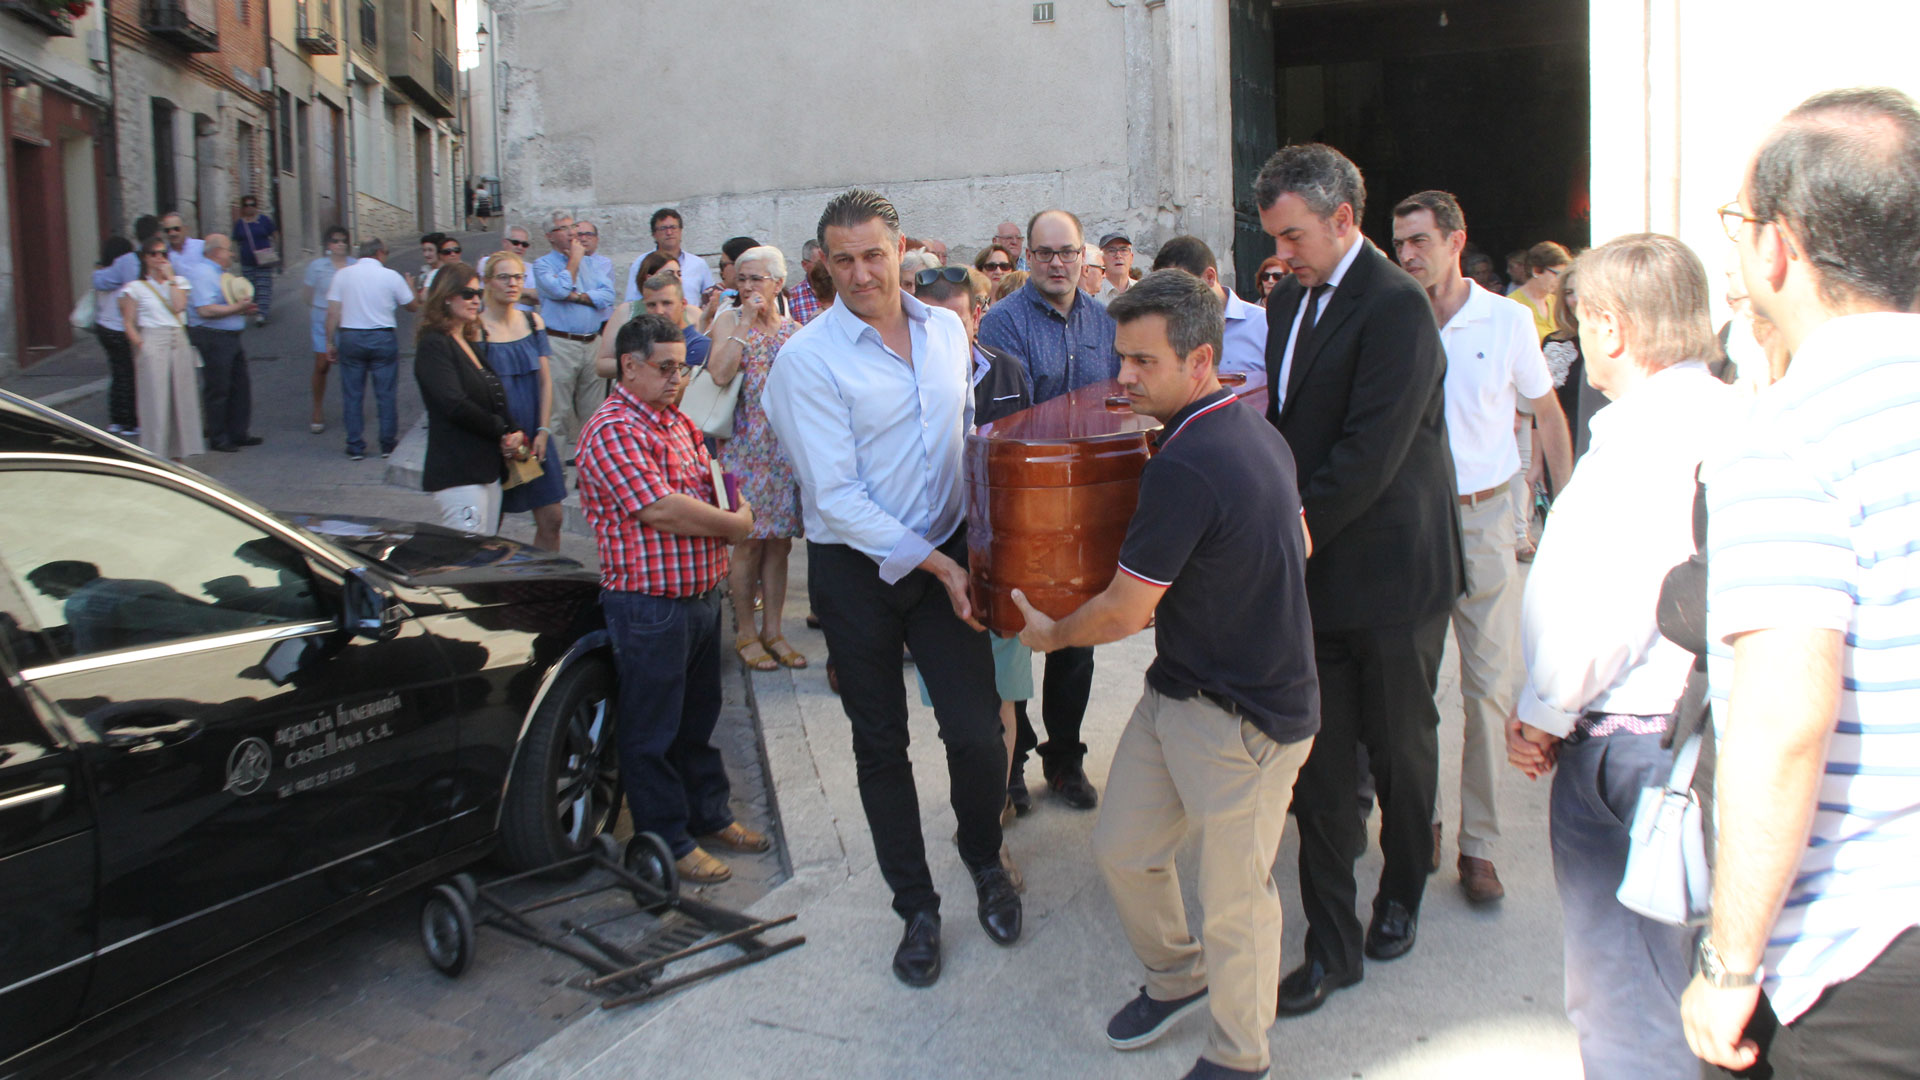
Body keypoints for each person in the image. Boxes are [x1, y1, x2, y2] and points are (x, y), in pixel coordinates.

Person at [1012, 270, 1318, 1080]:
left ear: (1201, 358)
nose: (1123, 377)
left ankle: (1239, 1055)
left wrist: (1049, 636)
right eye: (1122, 358)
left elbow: (1121, 611)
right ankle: (1177, 977)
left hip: (1246, 718)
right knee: (1123, 849)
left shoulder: (1190, 460)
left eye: (1144, 362)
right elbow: (1302, 543)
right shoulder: (1250, 426)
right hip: (1181, 690)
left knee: (1235, 904)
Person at [1682, 86, 1920, 1079]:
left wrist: (1731, 965)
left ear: (1777, 248)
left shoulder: (1790, 436)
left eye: (1738, 226)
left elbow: (1786, 724)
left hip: (1861, 949)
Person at [763, 189, 1020, 986]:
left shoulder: (947, 327)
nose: (861, 273)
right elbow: (833, 498)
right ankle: (915, 906)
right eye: (842, 260)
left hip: (947, 551)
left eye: (873, 254)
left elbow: (962, 438)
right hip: (858, 574)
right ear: (823, 263)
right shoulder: (807, 358)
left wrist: (973, 544)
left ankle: (982, 856)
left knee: (978, 734)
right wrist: (938, 565)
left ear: (899, 247)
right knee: (880, 746)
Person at [1504, 233, 1735, 1080]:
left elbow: (1611, 601)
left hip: (1630, 745)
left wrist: (1543, 709)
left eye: (1581, 318)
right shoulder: (1723, 411)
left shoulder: (1645, 437)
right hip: (1680, 736)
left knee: (1626, 997)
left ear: (1611, 326)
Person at [1255, 143, 1460, 1016]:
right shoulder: (1286, 304)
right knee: (1323, 770)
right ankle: (1331, 946)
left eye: (1294, 235)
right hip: (1319, 573)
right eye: (1272, 236)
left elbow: (1367, 455)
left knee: (1400, 747)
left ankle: (1403, 890)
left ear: (1344, 219)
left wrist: (1282, 534)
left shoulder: (1396, 306)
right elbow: (1289, 426)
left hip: (1392, 574)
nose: (1281, 253)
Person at [1389, 189, 1572, 902]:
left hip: (1486, 518)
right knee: (1415, 689)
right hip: (1413, 523)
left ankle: (1481, 845)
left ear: (1456, 240)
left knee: (1488, 688)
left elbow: (1546, 415)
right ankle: (1423, 822)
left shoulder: (1507, 321)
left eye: (1420, 240)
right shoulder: (1395, 318)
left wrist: (1570, 504)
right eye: (1400, 242)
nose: (1409, 254)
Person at [578, 312, 772, 886]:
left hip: (695, 598)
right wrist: (735, 526)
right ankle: (667, 840)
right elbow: (660, 507)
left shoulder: (675, 422)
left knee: (696, 721)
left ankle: (708, 815)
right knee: (653, 731)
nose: (678, 380)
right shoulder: (612, 428)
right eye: (665, 369)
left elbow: (709, 482)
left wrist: (734, 509)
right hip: (647, 604)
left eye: (682, 369)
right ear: (629, 366)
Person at [976, 208, 1118, 813]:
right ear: (1028, 257)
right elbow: (1009, 419)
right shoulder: (1003, 322)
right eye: (1045, 253)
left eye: (1067, 252)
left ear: (1084, 255)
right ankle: (1012, 762)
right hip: (1025, 508)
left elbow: (1115, 402)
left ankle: (1064, 759)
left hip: (1086, 506)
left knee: (1076, 641)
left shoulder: (1105, 322)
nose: (1057, 264)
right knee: (1014, 637)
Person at [915, 264, 1035, 836]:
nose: (942, 332)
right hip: (936, 558)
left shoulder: (1009, 371)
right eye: (931, 320)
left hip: (999, 556)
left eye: (954, 320)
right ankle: (978, 791)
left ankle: (997, 801)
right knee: (958, 708)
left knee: (1006, 690)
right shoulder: (904, 376)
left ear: (976, 317)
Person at [706, 245, 805, 672]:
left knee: (778, 544)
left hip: (782, 453)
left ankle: (774, 631)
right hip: (740, 453)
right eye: (741, 279)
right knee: (745, 543)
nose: (746, 286)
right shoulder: (729, 321)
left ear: (778, 283)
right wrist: (745, 321)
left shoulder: (795, 330)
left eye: (756, 279)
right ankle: (746, 631)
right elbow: (720, 373)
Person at [414, 262, 524, 534]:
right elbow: (453, 403)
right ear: (447, 296)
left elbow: (492, 393)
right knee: (466, 556)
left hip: (487, 467)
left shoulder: (466, 341)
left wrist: (514, 431)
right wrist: (500, 429)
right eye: (467, 294)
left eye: (478, 293)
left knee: (484, 553)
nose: (476, 300)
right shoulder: (434, 344)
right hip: (458, 470)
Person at [480, 252, 566, 550]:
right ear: (488, 282)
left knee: (552, 517)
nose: (512, 283)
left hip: (532, 433)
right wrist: (497, 437)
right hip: (494, 437)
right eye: (504, 277)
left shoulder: (532, 321)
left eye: (517, 277)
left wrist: (543, 430)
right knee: (488, 526)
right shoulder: (474, 328)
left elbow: (545, 380)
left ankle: (545, 584)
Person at [325, 237, 420, 461]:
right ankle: (387, 444)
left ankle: (355, 445)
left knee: (353, 394)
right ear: (380, 253)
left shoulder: (342, 275)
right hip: (382, 336)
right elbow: (412, 306)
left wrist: (329, 342)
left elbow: (333, 312)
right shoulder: (390, 276)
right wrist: (410, 288)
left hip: (351, 336)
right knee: (385, 394)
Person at [531, 209, 617, 444]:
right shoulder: (543, 265)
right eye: (564, 228)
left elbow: (608, 295)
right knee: (556, 415)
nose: (572, 233)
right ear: (549, 235)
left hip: (591, 343)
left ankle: (589, 476)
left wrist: (577, 297)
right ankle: (558, 477)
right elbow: (558, 289)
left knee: (594, 415)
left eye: (573, 227)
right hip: (560, 344)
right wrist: (575, 260)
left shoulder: (591, 263)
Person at [117, 237, 202, 462]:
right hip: (152, 337)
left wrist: (171, 279)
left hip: (177, 337)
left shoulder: (179, 282)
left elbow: (179, 306)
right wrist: (141, 345)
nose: (160, 258)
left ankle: (180, 452)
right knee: (154, 399)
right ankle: (154, 453)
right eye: (154, 254)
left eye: (163, 253)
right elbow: (128, 322)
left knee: (182, 397)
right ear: (145, 258)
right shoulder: (135, 288)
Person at [183, 234, 261, 454]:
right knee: (218, 387)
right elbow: (205, 309)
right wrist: (238, 309)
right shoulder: (203, 273)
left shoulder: (219, 274)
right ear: (216, 252)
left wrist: (242, 308)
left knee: (239, 385)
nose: (232, 254)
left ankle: (238, 433)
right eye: (229, 250)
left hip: (228, 337)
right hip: (213, 337)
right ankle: (218, 436)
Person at [1150, 235, 1267, 380]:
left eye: (1180, 289)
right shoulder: (1166, 330)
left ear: (1210, 277)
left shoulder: (1264, 325)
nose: (1173, 300)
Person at [90, 229, 146, 437]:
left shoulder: (101, 273)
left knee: (117, 374)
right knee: (128, 376)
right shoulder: (125, 272)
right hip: (120, 328)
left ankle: (117, 420)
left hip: (103, 327)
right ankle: (130, 421)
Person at [303, 226, 356, 435]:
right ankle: (317, 409)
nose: (340, 244)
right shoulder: (317, 266)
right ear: (328, 245)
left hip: (349, 318)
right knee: (322, 363)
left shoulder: (354, 265)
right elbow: (307, 294)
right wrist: (320, 309)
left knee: (350, 365)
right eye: (335, 240)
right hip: (322, 318)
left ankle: (351, 409)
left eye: (344, 240)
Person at [626, 207, 717, 303]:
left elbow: (710, 298)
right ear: (654, 234)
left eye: (673, 227)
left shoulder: (698, 264)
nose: (669, 233)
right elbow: (632, 300)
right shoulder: (642, 262)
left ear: (681, 231)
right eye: (663, 228)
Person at [231, 195, 278, 325]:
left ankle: (261, 313)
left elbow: (274, 234)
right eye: (246, 205)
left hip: (264, 259)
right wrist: (234, 253)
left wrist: (274, 249)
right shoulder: (240, 224)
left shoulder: (264, 220)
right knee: (251, 288)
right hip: (247, 260)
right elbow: (235, 240)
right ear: (243, 208)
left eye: (252, 204)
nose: (249, 207)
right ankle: (255, 308)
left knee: (263, 286)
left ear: (256, 206)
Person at [1513, 241, 1571, 343]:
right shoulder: (1513, 304)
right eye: (1557, 274)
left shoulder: (1557, 300)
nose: (1561, 281)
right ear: (1536, 270)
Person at [787, 239, 827, 325]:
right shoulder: (792, 297)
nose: (826, 268)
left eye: (827, 262)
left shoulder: (840, 291)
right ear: (805, 265)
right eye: (820, 263)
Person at [1099, 232, 1135, 301]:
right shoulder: (1093, 292)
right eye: (1111, 251)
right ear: (1101, 259)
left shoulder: (1142, 291)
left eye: (1123, 250)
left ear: (1131, 258)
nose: (1118, 255)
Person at [417, 232, 449, 298]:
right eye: (424, 250)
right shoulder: (425, 271)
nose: (426, 254)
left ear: (439, 251)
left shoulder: (447, 272)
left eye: (430, 250)